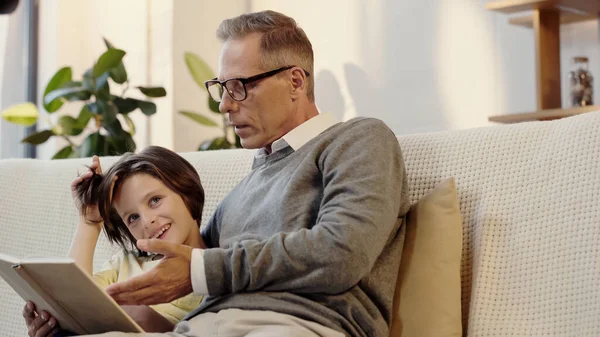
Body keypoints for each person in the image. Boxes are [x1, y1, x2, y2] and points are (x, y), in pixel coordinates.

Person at [25, 9, 409, 337]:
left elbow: (343, 253)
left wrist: (198, 269)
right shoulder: (241, 193)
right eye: (221, 88)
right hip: (205, 327)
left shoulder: (358, 140)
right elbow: (183, 266)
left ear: (295, 81)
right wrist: (67, 318)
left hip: (298, 325)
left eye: (239, 86)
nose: (225, 105)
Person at [23, 146, 205, 336]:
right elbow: (74, 302)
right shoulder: (123, 264)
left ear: (186, 189)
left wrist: (147, 319)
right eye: (133, 217)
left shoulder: (213, 269)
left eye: (154, 200)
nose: (146, 221)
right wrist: (89, 223)